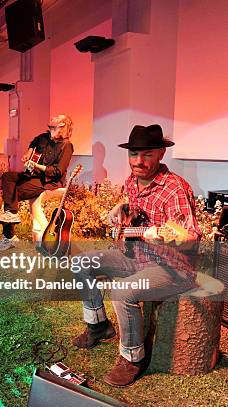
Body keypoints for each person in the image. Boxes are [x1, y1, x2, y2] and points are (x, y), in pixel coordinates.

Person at [71, 124, 200, 387]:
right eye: (134, 154)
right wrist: (121, 208)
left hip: (170, 266)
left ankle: (132, 358)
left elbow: (190, 238)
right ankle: (98, 326)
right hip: (135, 256)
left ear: (161, 154)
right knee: (80, 262)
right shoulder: (132, 181)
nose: (138, 161)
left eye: (147, 154)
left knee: (123, 291)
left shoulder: (174, 189)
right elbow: (133, 215)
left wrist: (166, 235)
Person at [0, 115, 74, 250]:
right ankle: (11, 216)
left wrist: (37, 166)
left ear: (62, 126)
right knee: (8, 177)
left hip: (49, 181)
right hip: (33, 176)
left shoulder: (67, 146)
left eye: (55, 122)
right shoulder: (44, 137)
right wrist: (28, 153)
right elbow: (34, 142)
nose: (51, 125)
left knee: (12, 194)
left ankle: (9, 236)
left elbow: (57, 172)